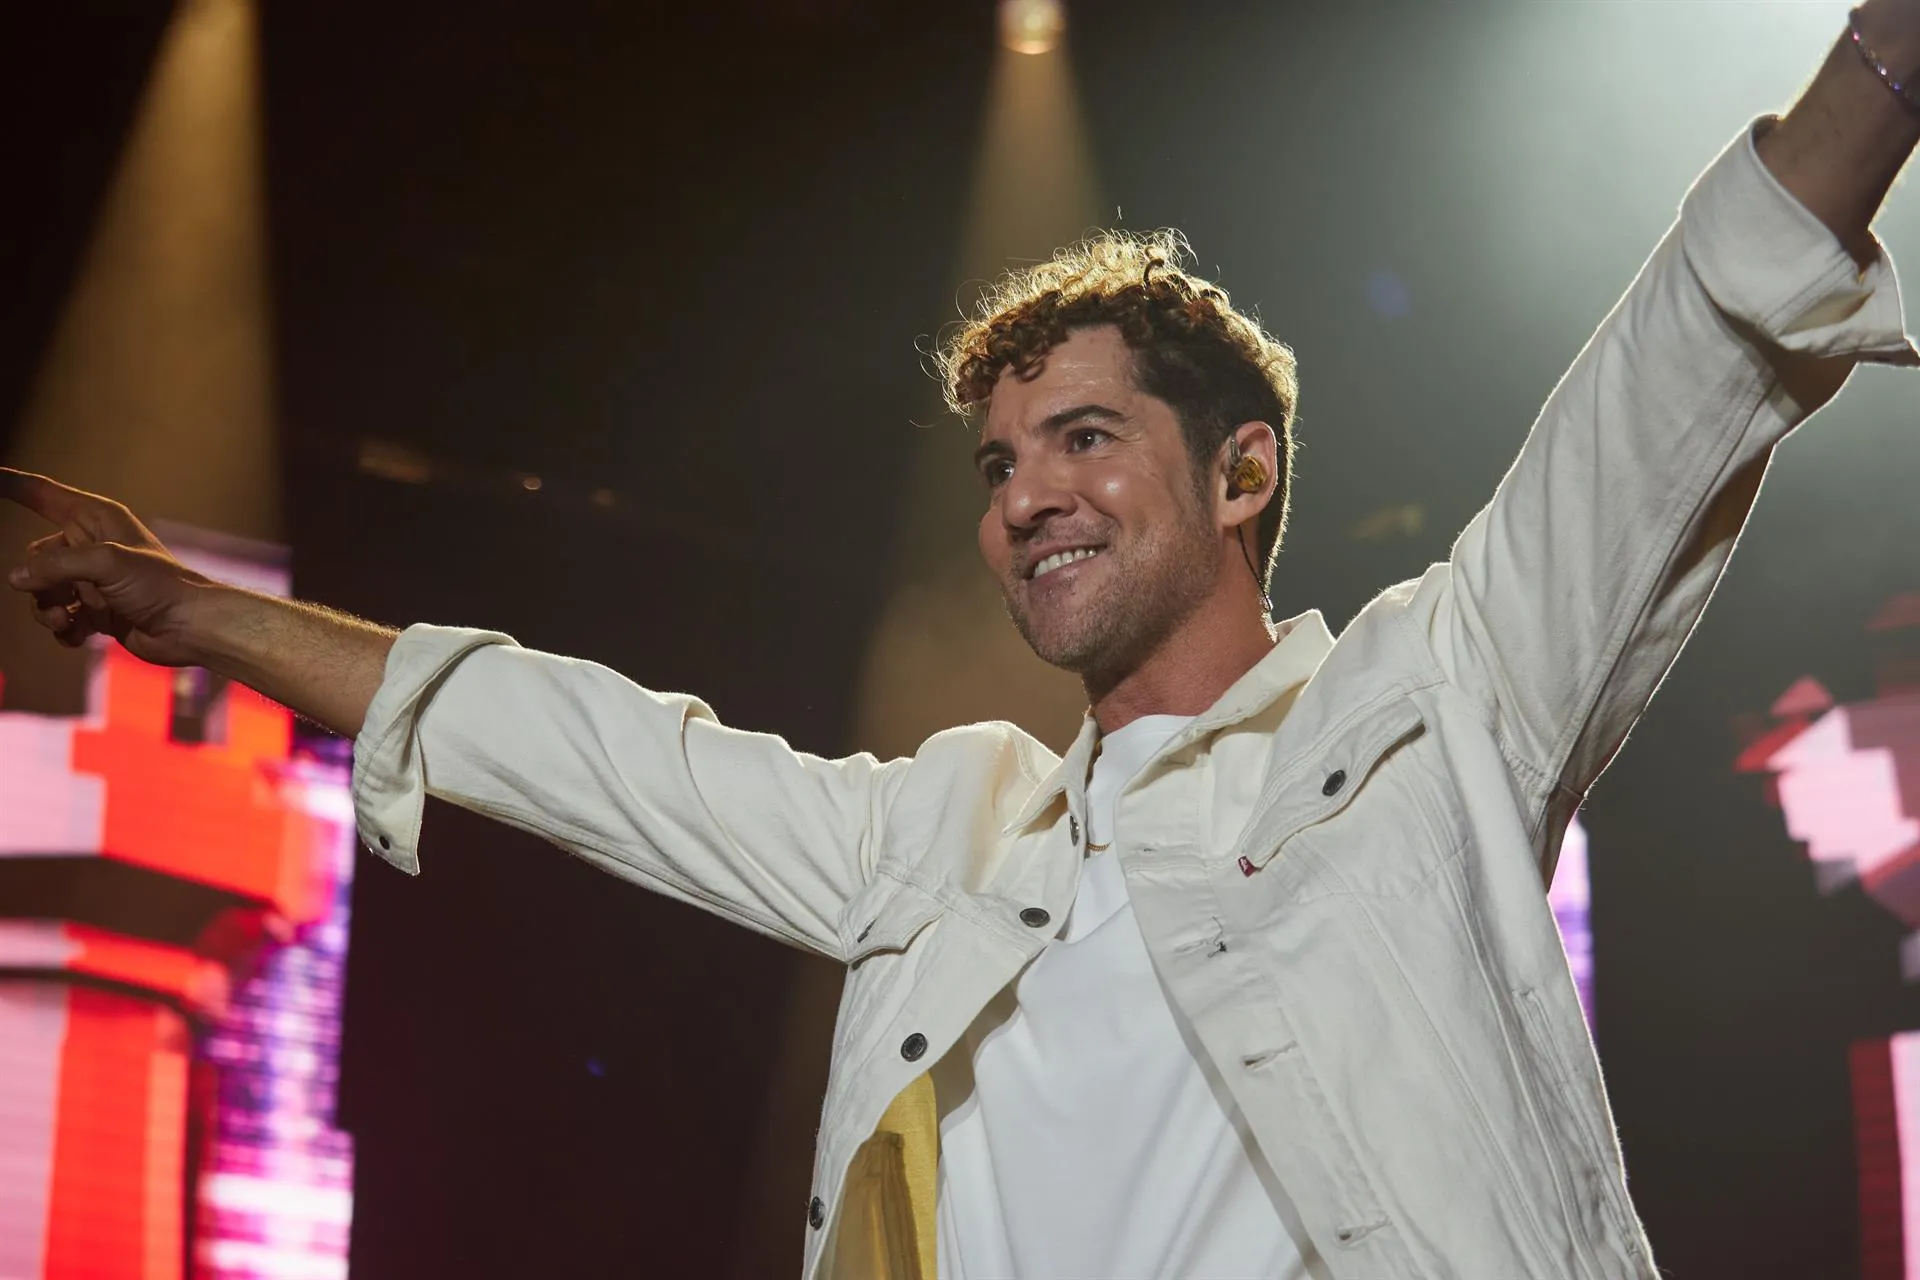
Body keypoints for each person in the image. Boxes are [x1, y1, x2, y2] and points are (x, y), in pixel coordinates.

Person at [6, 7, 1919, 1276]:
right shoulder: (962, 834)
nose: (1020, 496)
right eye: (999, 461)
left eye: (1085, 437)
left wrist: (1883, 67)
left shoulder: (1436, 700)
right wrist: (187, 612)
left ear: (1243, 471)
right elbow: (575, 744)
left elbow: (1677, 367)